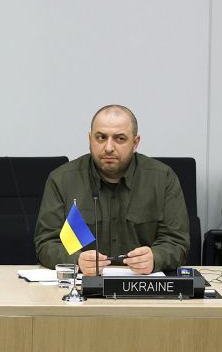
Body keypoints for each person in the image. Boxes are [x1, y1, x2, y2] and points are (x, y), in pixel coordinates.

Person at [34, 104, 189, 275]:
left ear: (135, 143)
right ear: (89, 139)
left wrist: (155, 258)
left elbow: (177, 243)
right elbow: (46, 243)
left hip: (141, 286)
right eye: (100, 137)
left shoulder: (162, 178)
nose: (108, 147)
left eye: (120, 138)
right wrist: (76, 261)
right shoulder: (62, 180)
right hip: (81, 287)